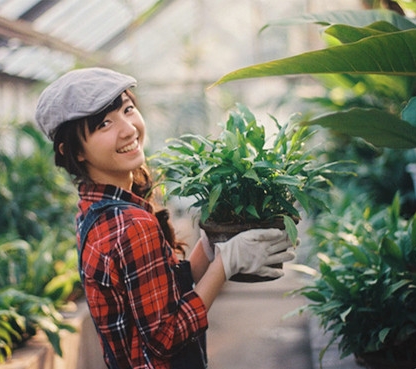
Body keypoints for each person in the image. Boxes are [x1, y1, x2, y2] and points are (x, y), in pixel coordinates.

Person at [35, 67, 296, 369]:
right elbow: (165, 338)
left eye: (127, 109)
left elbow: (150, 295)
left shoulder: (95, 210)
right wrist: (225, 264)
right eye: (104, 124)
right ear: (74, 151)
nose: (128, 129)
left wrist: (209, 248)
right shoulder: (132, 224)